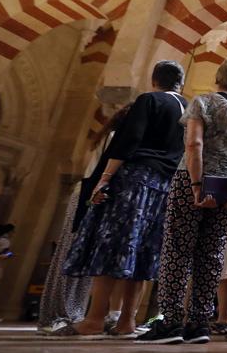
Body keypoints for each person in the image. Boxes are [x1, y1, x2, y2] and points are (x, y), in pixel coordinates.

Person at [139, 56, 227, 345]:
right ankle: (199, 323)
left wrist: (196, 184)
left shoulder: (204, 103)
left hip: (192, 180)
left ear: (219, 77)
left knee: (177, 250)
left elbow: (194, 143)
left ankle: (171, 322)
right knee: (212, 255)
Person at [59, 61, 188, 338]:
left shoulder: (149, 100)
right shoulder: (189, 109)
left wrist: (104, 178)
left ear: (155, 80)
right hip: (166, 186)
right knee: (144, 253)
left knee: (111, 245)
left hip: (135, 180)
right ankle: (127, 322)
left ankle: (94, 319)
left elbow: (129, 140)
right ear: (181, 83)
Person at [36, 182, 91, 334]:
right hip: (90, 198)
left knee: (84, 269)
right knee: (72, 258)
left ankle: (71, 316)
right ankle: (59, 317)